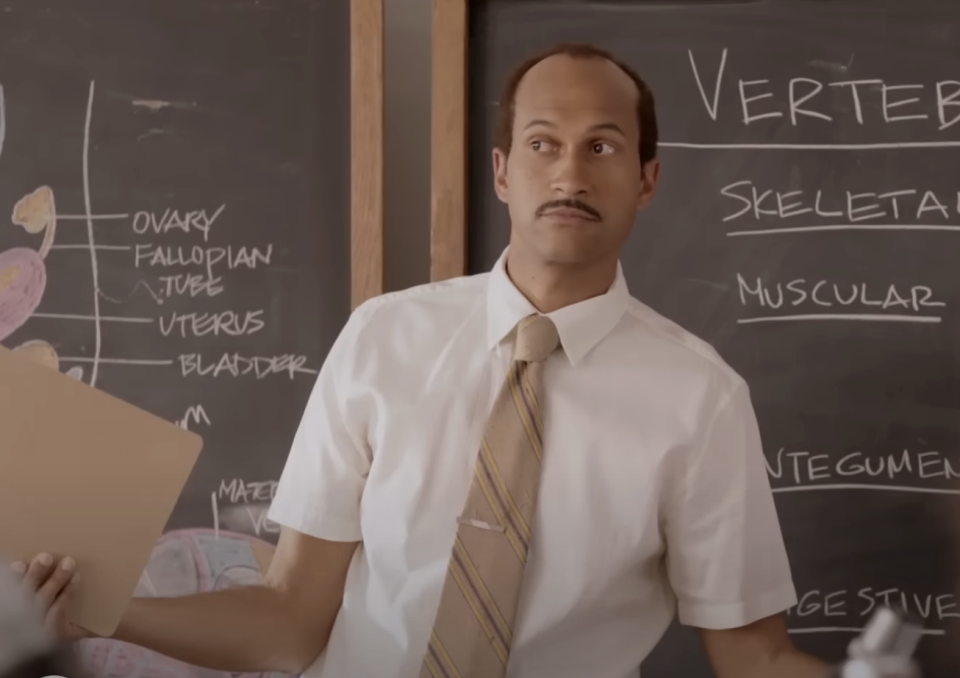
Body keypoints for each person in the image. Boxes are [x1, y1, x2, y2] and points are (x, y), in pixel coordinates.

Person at [14, 43, 835, 678]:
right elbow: (292, 619)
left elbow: (753, 659)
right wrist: (102, 610)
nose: (570, 173)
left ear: (648, 180)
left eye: (603, 148)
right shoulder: (383, 339)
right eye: (544, 144)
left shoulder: (702, 400)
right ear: (504, 173)